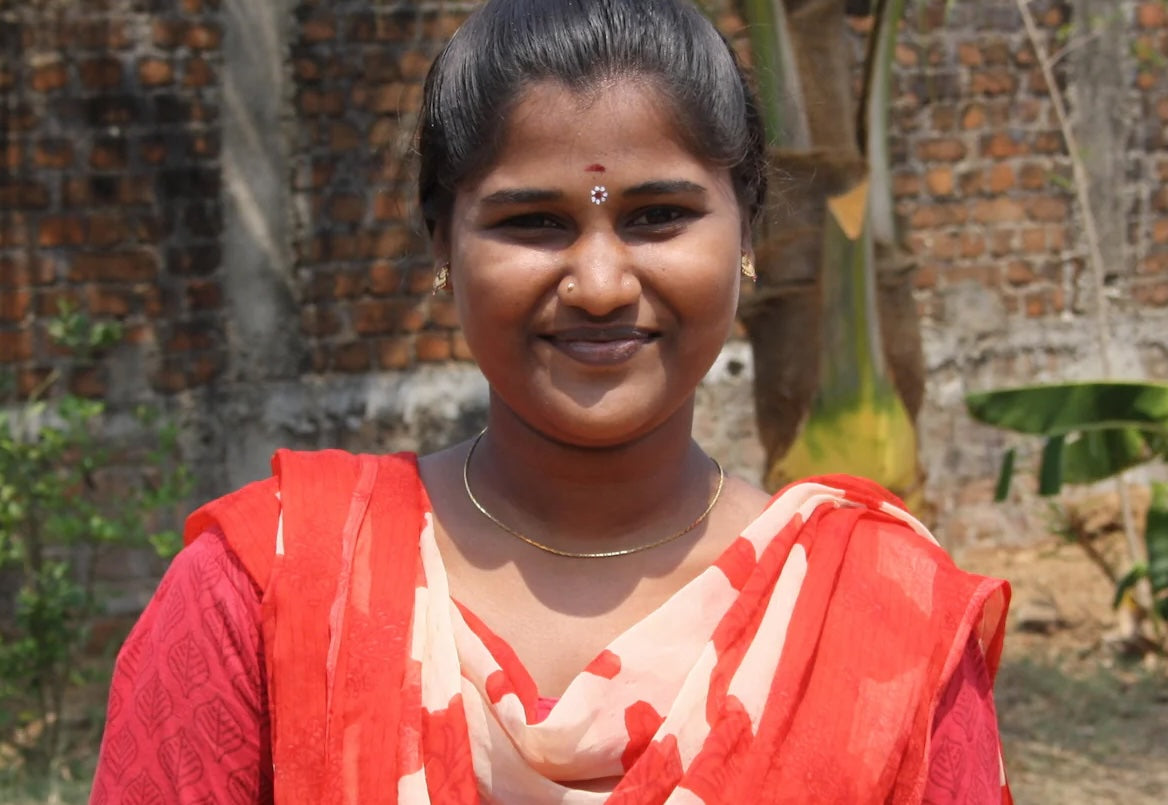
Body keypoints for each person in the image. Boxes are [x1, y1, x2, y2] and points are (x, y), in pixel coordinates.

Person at [90, 0, 1012, 802]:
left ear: (748, 233)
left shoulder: (880, 620)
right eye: (533, 222)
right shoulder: (269, 592)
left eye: (658, 216)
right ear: (443, 246)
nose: (602, 282)